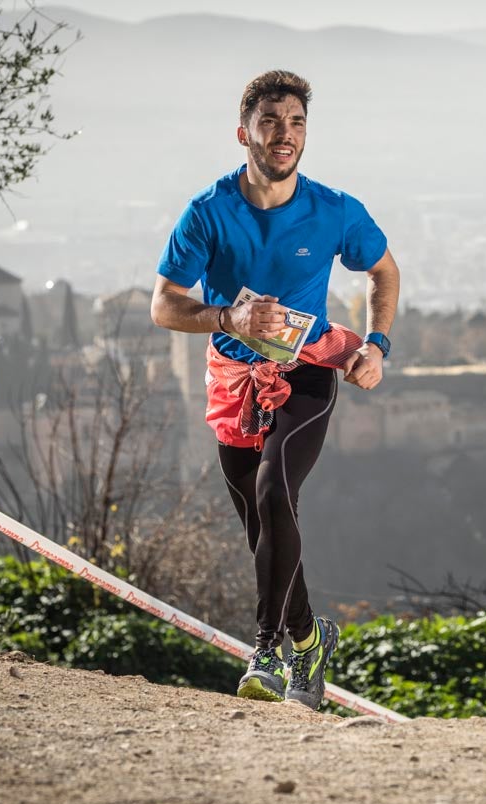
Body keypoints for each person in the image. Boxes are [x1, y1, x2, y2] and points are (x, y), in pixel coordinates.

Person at [150, 70, 400, 709]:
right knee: (261, 524)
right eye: (270, 122)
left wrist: (376, 345)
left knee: (273, 488)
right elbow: (165, 306)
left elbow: (383, 271)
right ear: (244, 133)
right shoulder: (207, 213)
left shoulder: (334, 209)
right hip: (234, 379)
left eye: (295, 123)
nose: (284, 134)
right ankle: (311, 638)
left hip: (307, 369)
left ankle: (265, 650)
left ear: (306, 134)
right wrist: (226, 319)